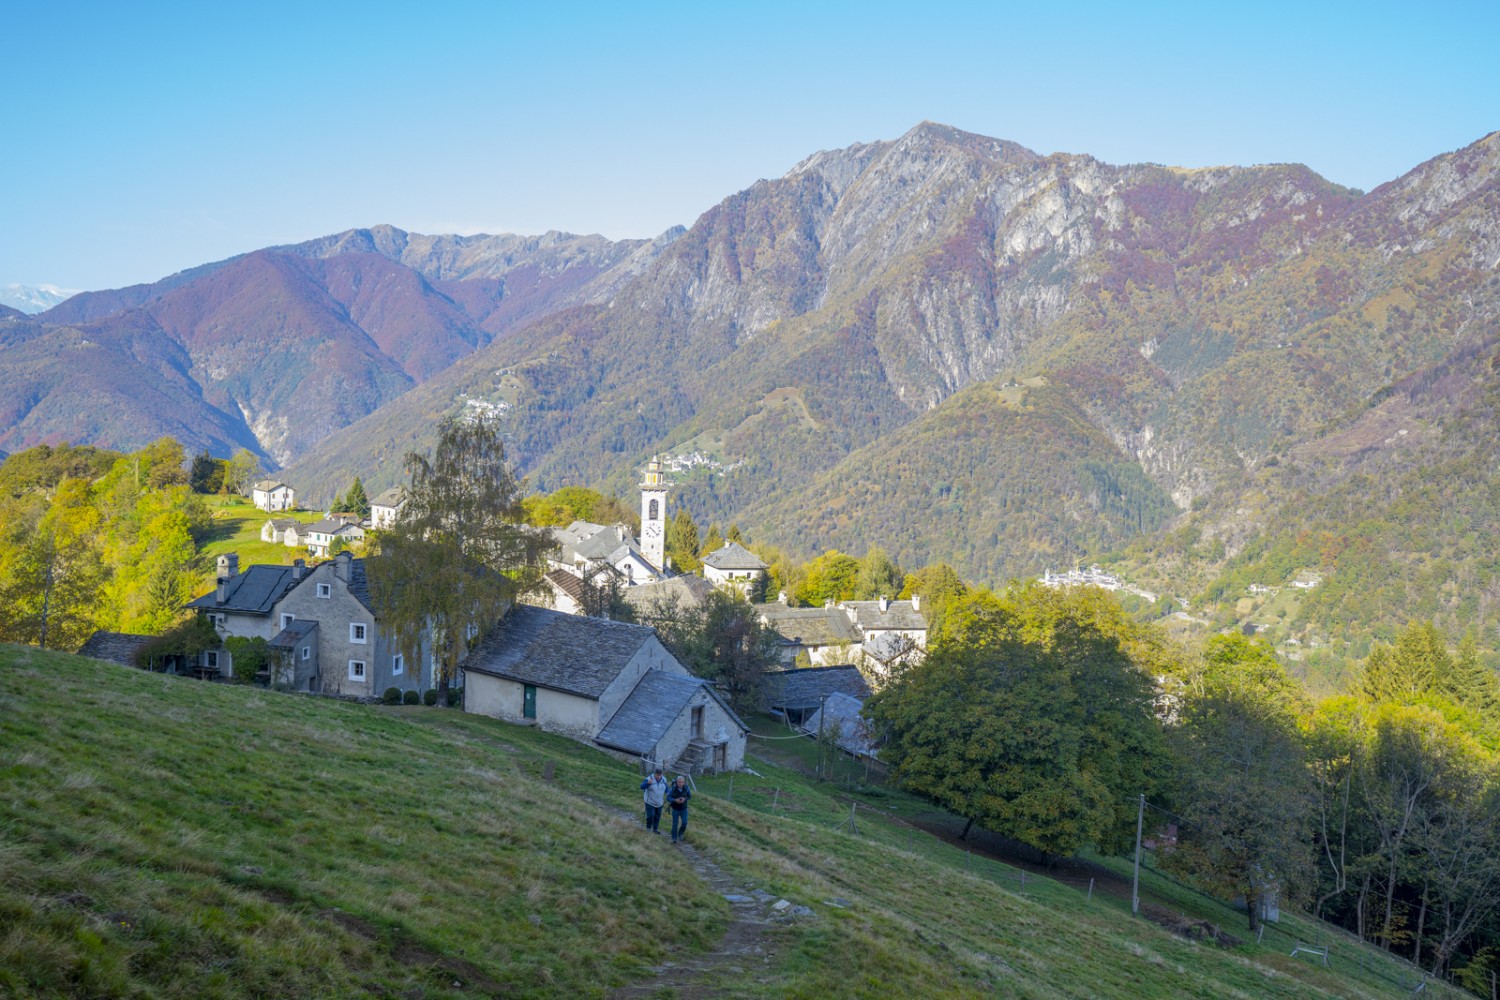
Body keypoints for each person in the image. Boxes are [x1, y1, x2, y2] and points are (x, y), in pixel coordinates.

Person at [640, 767, 667, 833]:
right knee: (651, 815)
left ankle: (655, 829)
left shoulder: (663, 779)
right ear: (654, 774)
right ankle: (648, 828)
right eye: (658, 775)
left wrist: (668, 792)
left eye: (660, 775)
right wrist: (647, 783)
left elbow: (666, 788)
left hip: (659, 802)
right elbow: (641, 786)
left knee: (657, 816)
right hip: (649, 801)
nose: (659, 776)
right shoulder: (649, 779)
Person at [667, 774, 691, 843]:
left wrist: (684, 799)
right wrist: (675, 800)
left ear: (684, 782)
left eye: (682, 782)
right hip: (675, 809)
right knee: (675, 824)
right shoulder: (672, 788)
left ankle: (680, 833)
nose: (681, 783)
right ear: (676, 782)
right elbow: (668, 798)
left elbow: (689, 797)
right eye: (679, 782)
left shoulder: (686, 788)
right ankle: (674, 838)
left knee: (684, 823)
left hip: (684, 809)